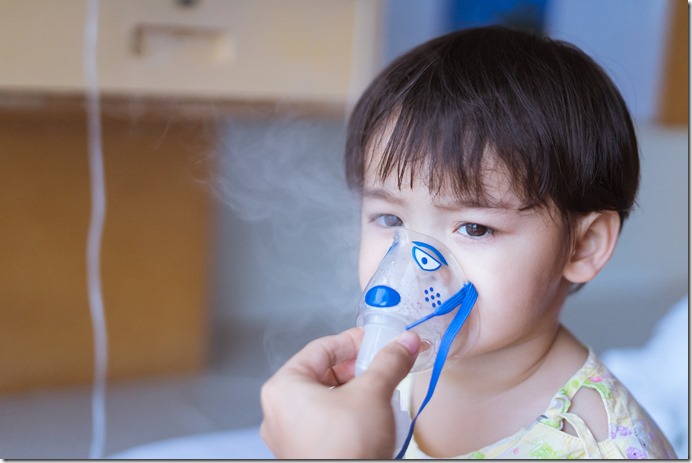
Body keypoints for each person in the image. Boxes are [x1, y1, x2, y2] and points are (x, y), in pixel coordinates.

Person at [260, 26, 677, 459]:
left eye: (474, 228)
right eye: (390, 218)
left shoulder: (599, 447)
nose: (414, 267)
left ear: (583, 246)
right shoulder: (376, 381)